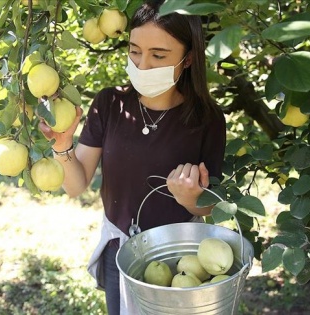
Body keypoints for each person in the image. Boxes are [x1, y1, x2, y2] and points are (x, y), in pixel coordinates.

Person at [38, 0, 226, 313]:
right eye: (135, 51)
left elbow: (209, 205)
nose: (142, 64)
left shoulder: (206, 119)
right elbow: (75, 185)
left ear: (189, 58)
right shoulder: (110, 104)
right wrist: (62, 144)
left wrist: (190, 198)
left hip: (181, 259)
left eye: (158, 55)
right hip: (120, 253)